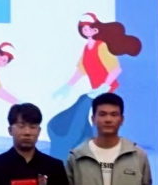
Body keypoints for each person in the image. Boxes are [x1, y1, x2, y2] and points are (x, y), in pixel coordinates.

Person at [47, 14, 143, 162]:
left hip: (110, 92)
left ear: (95, 29)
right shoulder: (87, 48)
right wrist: (67, 86)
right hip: (96, 92)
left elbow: (116, 69)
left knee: (94, 117)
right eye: (83, 28)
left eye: (89, 28)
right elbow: (81, 69)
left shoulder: (101, 46)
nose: (86, 30)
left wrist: (105, 86)